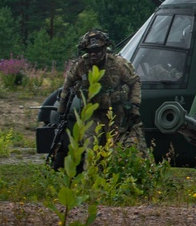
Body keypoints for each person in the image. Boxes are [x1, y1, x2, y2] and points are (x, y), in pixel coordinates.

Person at [54, 29, 146, 165]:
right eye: (90, 52)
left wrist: (134, 106)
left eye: (97, 51)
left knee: (116, 148)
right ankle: (90, 178)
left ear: (104, 49)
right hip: (92, 112)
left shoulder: (118, 64)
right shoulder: (81, 65)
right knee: (90, 146)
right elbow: (67, 85)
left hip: (115, 112)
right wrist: (62, 109)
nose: (93, 55)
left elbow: (135, 82)